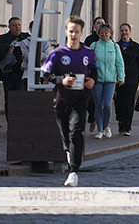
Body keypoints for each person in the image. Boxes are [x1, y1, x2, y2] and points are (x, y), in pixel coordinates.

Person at [41, 15, 98, 187]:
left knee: (76, 132)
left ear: (81, 33)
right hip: (61, 101)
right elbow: (45, 74)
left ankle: (73, 171)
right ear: (66, 32)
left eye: (77, 32)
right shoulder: (57, 54)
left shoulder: (88, 53)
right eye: (71, 31)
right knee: (66, 135)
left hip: (80, 100)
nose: (74, 35)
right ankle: (68, 151)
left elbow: (94, 71)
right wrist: (61, 80)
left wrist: (92, 81)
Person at [89, 24, 125, 139]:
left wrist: (121, 77)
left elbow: (119, 63)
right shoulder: (94, 46)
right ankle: (100, 130)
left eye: (106, 33)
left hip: (110, 80)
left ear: (110, 34)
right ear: (98, 33)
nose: (104, 34)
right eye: (101, 32)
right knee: (98, 104)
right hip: (97, 80)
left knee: (108, 105)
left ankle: (107, 126)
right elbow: (89, 62)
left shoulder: (115, 47)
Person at [0, 17, 30, 121]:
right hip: (7, 73)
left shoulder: (26, 37)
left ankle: (20, 121)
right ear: (9, 27)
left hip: (21, 73)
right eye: (14, 25)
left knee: (21, 97)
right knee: (9, 99)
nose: (17, 27)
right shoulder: (3, 39)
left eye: (19, 25)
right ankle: (11, 122)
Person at [115, 23, 139, 136]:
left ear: (130, 32)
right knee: (119, 102)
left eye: (126, 30)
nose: (124, 33)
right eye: (122, 30)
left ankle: (127, 127)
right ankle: (121, 121)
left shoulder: (136, 48)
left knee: (129, 103)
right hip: (118, 79)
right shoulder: (115, 46)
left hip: (132, 79)